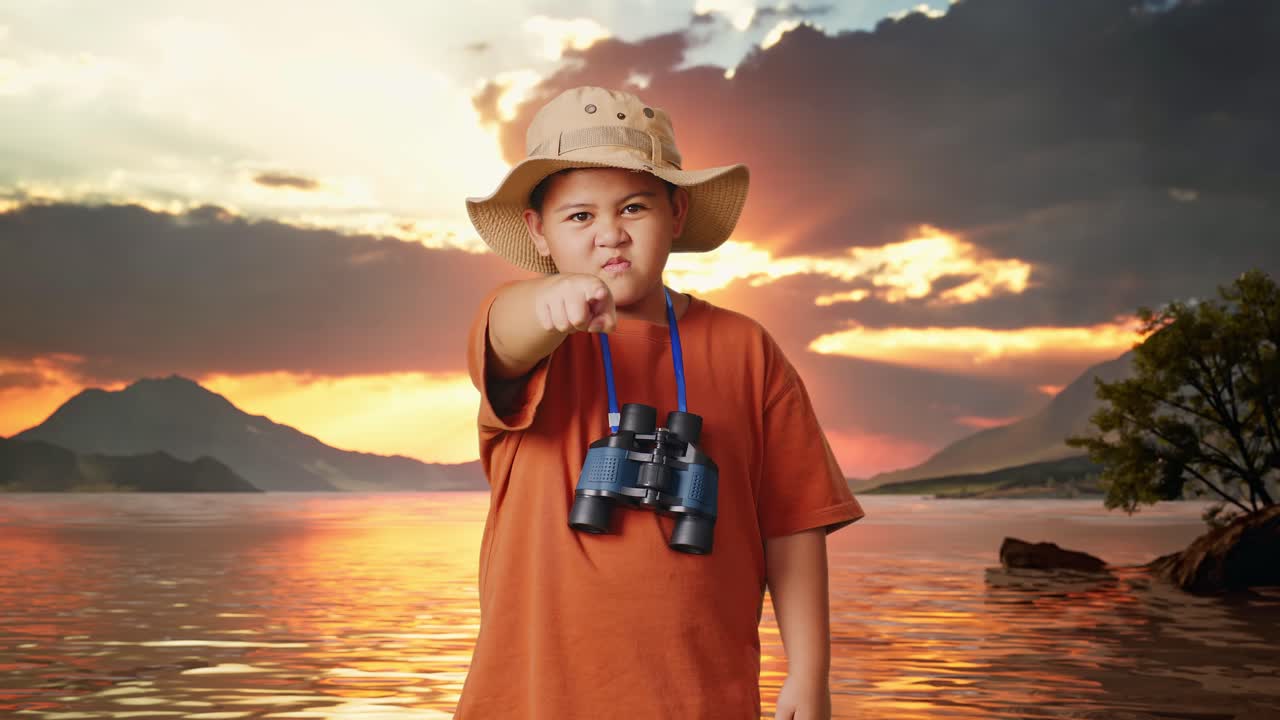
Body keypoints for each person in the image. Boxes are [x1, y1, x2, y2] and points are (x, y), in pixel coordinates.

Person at [456, 85, 866, 719]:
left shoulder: (745, 348)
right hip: (535, 699)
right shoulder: (532, 335)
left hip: (702, 698)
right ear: (537, 232)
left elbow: (793, 522)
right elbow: (505, 337)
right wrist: (548, 306)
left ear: (676, 215)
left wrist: (809, 675)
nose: (610, 236)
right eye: (579, 216)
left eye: (634, 208)